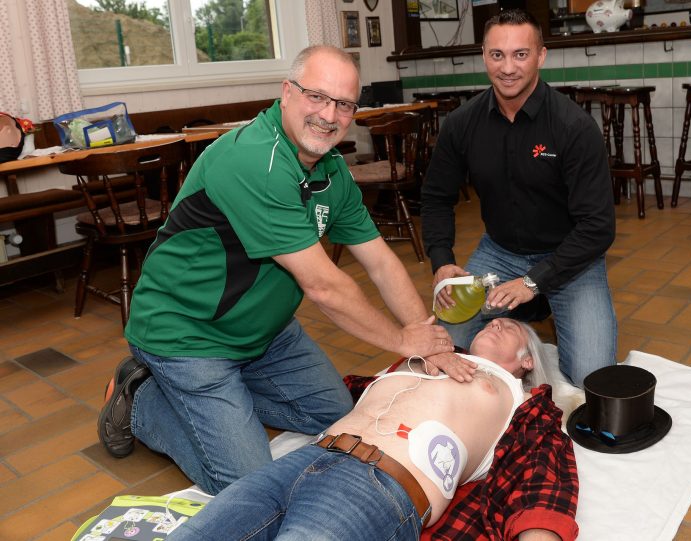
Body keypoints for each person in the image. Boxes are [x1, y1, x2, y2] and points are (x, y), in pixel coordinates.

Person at [98, 45, 456, 496]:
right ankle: (139, 401)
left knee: (335, 414)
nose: (329, 115)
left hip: (266, 333)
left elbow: (381, 261)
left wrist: (424, 337)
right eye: (317, 97)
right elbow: (324, 287)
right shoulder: (255, 160)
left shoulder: (332, 171)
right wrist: (404, 342)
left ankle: (225, 402)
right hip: (188, 335)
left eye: (344, 104)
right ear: (286, 93)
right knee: (248, 484)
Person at [168, 318, 578, 541]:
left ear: (527, 362)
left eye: (511, 328)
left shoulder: (524, 403)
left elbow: (542, 471)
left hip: (380, 484)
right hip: (306, 458)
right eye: (492, 322)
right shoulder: (429, 360)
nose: (496, 325)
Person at [421, 9, 617, 387]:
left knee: (592, 379)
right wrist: (442, 262)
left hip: (572, 259)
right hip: (500, 254)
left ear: (541, 56)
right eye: (497, 55)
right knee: (448, 349)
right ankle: (525, 321)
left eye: (520, 55)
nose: (508, 67)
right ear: (484, 55)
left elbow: (598, 228)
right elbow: (435, 197)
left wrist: (531, 282)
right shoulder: (462, 124)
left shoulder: (574, 127)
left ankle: (534, 310)